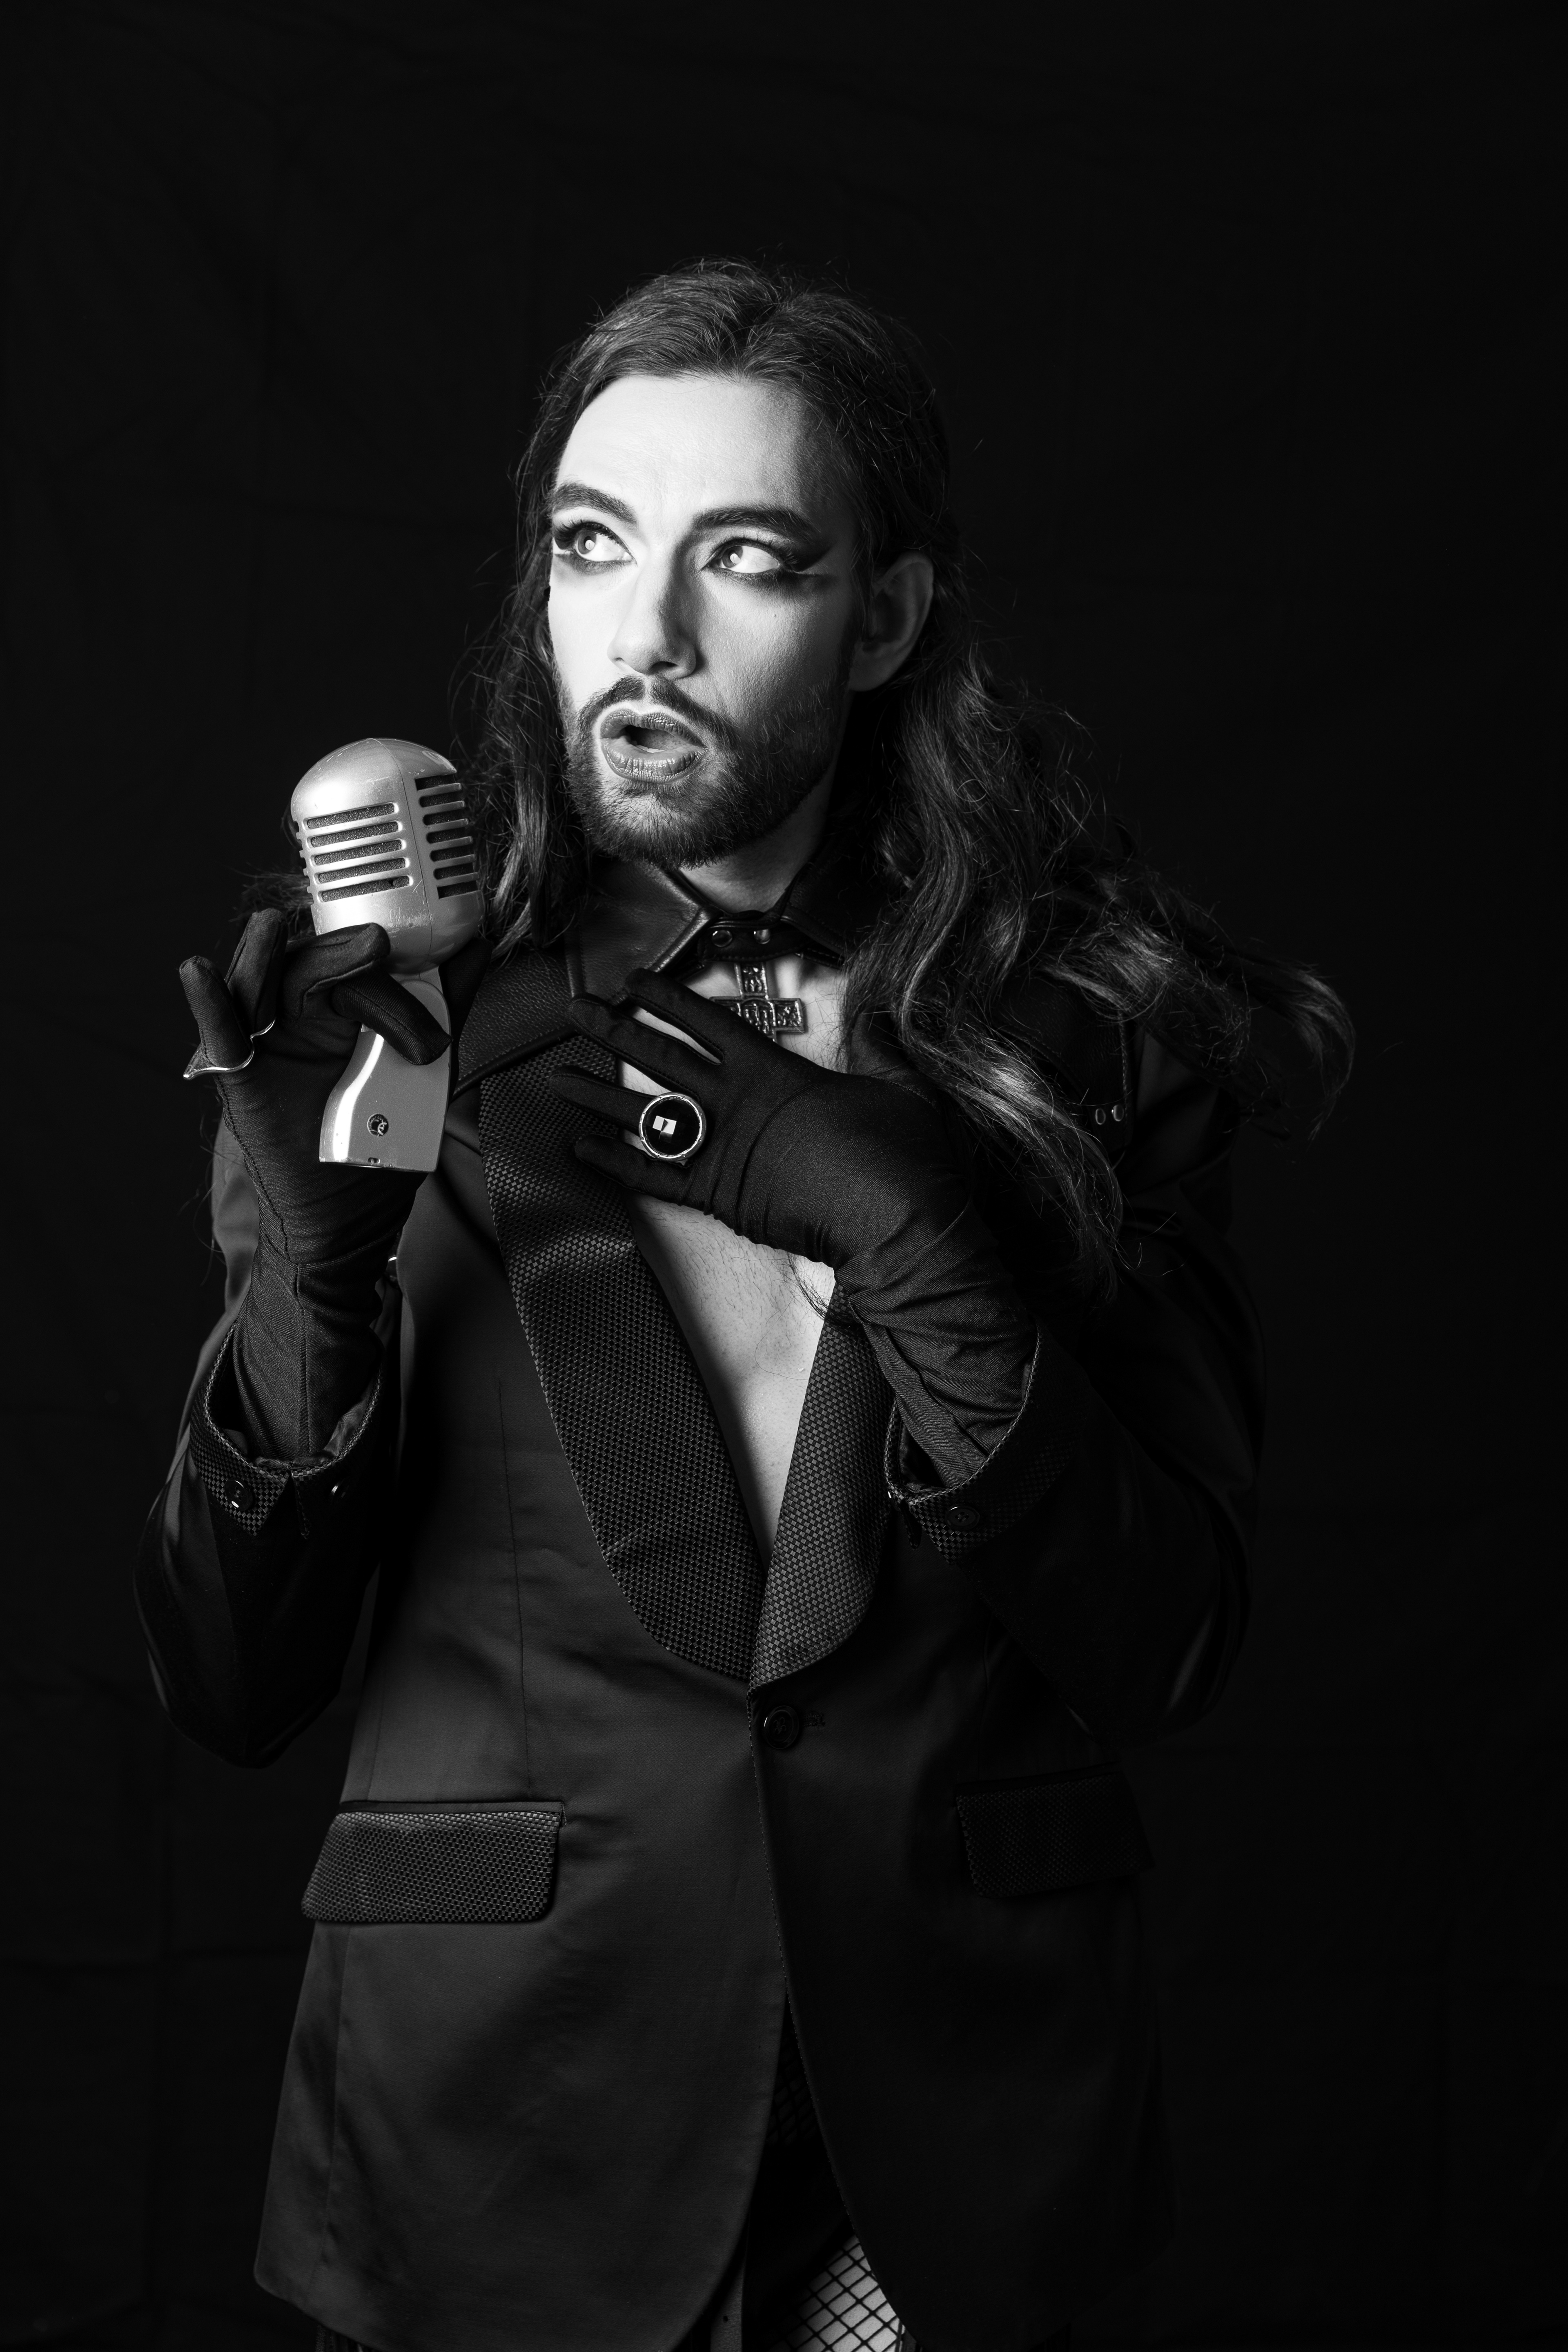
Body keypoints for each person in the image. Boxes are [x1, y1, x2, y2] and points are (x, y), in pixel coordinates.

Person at [140, 261, 1351, 2352]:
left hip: (958, 2126)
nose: (649, 633)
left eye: (751, 560)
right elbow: (232, 1684)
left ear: (884, 619)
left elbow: (1166, 1641)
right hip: (501, 2110)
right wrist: (318, 1293)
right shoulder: (382, 1036)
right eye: (592, 548)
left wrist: (916, 1230)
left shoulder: (1088, 1040)